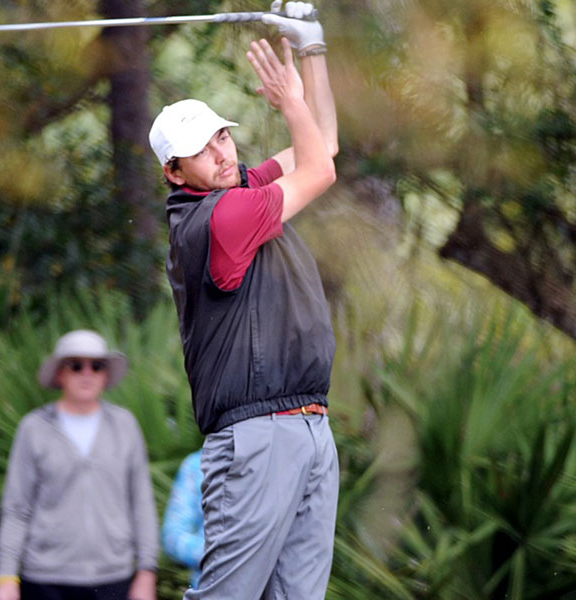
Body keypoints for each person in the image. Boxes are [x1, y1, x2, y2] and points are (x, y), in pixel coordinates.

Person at [147, 1, 340, 598]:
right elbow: (318, 172)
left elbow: (324, 146)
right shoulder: (221, 216)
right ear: (176, 173)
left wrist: (313, 50)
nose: (223, 153)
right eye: (204, 150)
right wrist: (291, 104)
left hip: (309, 427)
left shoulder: (236, 187)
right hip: (258, 438)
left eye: (223, 135)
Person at [0, 330, 159, 600]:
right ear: (60, 374)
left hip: (114, 578)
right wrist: (6, 578)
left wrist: (147, 572)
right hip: (46, 579)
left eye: (97, 365)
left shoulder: (125, 425)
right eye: (76, 365)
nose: (87, 373)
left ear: (106, 374)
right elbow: (16, 509)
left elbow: (141, 502)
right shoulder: (34, 428)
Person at [161, 450, 205, 589]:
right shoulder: (196, 465)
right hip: (209, 590)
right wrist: (216, 555)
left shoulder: (271, 462)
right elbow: (172, 536)